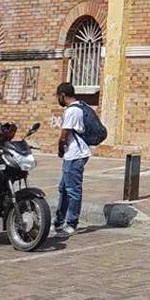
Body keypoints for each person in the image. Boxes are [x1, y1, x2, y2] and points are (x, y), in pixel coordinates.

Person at [55, 82, 91, 237]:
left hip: (75, 155)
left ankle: (71, 224)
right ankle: (59, 221)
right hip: (74, 154)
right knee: (63, 188)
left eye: (58, 97)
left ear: (62, 95)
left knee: (73, 190)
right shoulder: (79, 107)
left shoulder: (72, 111)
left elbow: (64, 134)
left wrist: (60, 148)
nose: (58, 99)